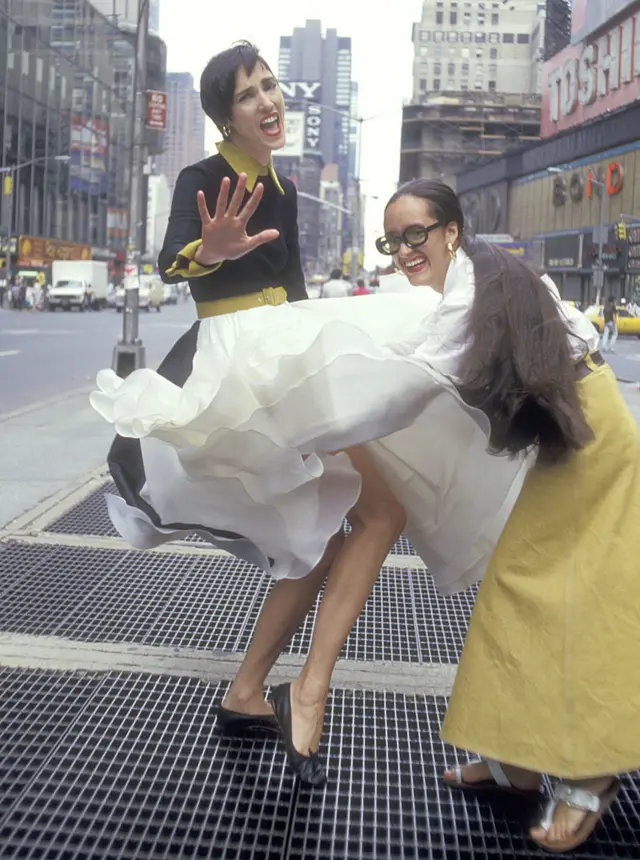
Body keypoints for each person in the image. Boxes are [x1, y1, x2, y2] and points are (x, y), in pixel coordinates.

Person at [90, 44, 529, 788]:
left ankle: (249, 690)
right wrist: (209, 249)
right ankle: (308, 689)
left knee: (331, 533)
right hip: (240, 366)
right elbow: (171, 261)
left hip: (283, 357)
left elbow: (293, 297)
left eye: (270, 86)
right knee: (377, 515)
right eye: (247, 95)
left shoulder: (285, 190)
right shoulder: (204, 178)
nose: (267, 102)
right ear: (225, 117)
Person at [377, 179, 640, 853]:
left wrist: (299, 425)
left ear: (451, 231)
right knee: (521, 583)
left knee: (570, 594)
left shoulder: (466, 297)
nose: (404, 251)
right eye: (393, 240)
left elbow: (398, 392)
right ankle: (517, 760)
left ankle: (594, 768)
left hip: (585, 434)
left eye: (416, 234)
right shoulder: (485, 274)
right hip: (579, 422)